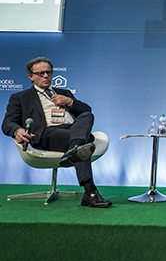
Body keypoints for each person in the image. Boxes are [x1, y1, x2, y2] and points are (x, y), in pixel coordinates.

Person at [2, 57, 112, 208]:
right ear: (31, 76)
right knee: (82, 145)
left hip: (73, 130)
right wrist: (17, 130)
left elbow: (86, 110)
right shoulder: (20, 97)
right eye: (41, 73)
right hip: (47, 133)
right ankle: (90, 191)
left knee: (87, 116)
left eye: (49, 72)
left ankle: (75, 148)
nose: (46, 76)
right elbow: (7, 123)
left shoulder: (64, 93)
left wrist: (69, 102)